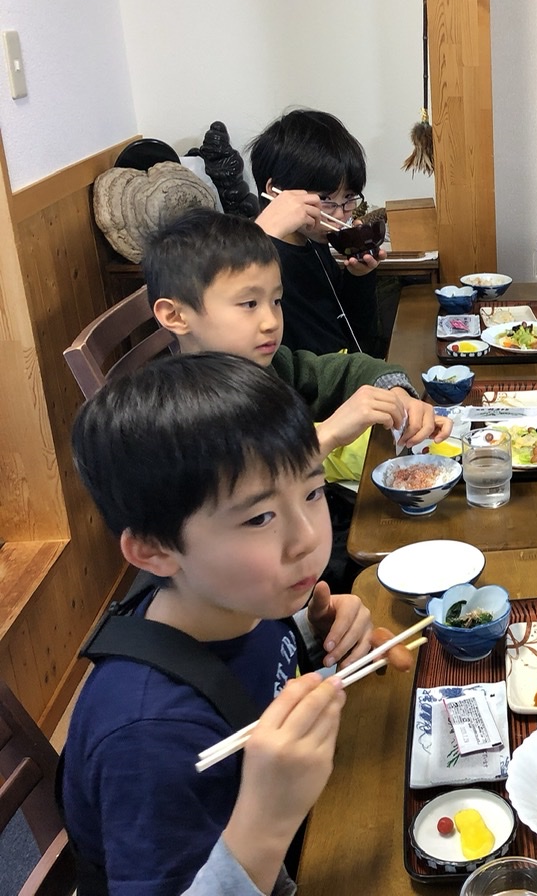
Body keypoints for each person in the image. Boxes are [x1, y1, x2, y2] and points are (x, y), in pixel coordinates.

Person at [62, 352, 374, 894]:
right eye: (259, 517)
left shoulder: (239, 603)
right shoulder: (148, 739)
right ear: (155, 551)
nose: (307, 538)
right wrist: (266, 822)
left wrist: (317, 634)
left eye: (312, 492)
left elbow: (253, 672)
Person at [143, 208, 451, 590]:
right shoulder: (182, 411)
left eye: (276, 301)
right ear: (175, 316)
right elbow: (244, 489)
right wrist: (329, 434)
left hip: (312, 527)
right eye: (249, 304)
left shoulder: (265, 365)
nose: (271, 321)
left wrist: (397, 393)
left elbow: (343, 369)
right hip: (263, 573)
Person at [250, 108, 382, 356]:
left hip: (348, 369)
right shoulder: (256, 260)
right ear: (276, 192)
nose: (341, 214)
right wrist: (264, 234)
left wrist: (359, 277)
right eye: (325, 199)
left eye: (348, 197)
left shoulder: (313, 241)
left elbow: (354, 331)